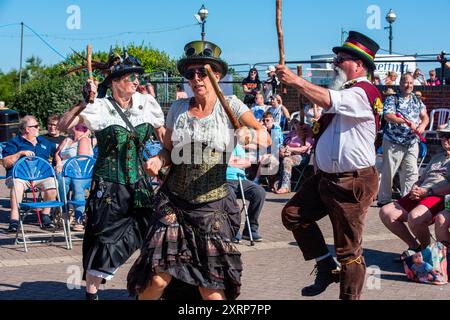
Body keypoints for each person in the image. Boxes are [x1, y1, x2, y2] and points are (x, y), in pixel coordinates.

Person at [126, 39, 270, 300]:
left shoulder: (232, 106)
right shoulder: (179, 109)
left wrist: (249, 133)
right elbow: (168, 149)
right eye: (190, 73)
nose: (195, 78)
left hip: (211, 207)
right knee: (157, 279)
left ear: (217, 75)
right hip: (174, 203)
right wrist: (159, 160)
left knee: (211, 288)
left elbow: (264, 137)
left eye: (202, 72)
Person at [276, 31, 381, 300]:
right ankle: (325, 266)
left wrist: (296, 80)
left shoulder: (363, 92)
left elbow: (327, 100)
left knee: (348, 251)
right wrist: (310, 134)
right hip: (327, 178)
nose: (335, 63)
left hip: (352, 182)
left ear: (358, 64)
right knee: (293, 215)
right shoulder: (346, 93)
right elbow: (334, 131)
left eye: (341, 58)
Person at [57, 50, 165, 300]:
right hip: (108, 187)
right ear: (116, 81)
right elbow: (63, 126)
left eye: (138, 77)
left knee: (150, 232)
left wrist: (168, 156)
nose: (137, 82)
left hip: (140, 185)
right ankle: (92, 294)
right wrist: (83, 101)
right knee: (104, 240)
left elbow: (162, 135)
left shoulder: (146, 102)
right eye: (131, 78)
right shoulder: (100, 106)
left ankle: (144, 286)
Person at [379, 123, 450, 255]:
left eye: (449, 136)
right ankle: (415, 247)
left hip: (438, 195)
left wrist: (428, 192)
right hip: (422, 192)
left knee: (415, 217)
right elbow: (421, 179)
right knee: (386, 212)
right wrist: (415, 187)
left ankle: (426, 252)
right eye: (443, 136)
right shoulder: (437, 157)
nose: (445, 139)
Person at [377, 73, 429, 207]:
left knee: (412, 172)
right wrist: (405, 121)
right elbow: (388, 116)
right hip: (394, 141)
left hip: (412, 142)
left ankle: (408, 200)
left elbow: (425, 116)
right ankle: (384, 200)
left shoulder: (417, 100)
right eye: (406, 82)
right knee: (389, 172)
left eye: (411, 83)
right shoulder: (392, 99)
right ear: (400, 84)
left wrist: (422, 125)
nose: (409, 85)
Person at [2, 115, 58, 233]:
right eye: (36, 126)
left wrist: (59, 161)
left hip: (40, 176)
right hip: (19, 176)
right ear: (27, 129)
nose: (39, 128)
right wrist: (19, 154)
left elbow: (58, 153)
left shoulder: (44, 142)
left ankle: (45, 215)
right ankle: (14, 220)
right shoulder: (14, 142)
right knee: (17, 185)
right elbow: (5, 163)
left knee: (52, 184)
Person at [54, 123, 93, 232]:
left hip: (82, 172)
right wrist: (58, 162)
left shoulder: (84, 140)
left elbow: (81, 159)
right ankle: (65, 213)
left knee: (77, 185)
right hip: (65, 171)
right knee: (62, 182)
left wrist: (65, 166)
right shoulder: (68, 139)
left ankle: (79, 219)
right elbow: (57, 153)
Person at [226, 144, 265, 242]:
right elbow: (225, 159)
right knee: (228, 195)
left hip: (241, 179)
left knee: (259, 192)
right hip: (225, 179)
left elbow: (248, 163)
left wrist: (233, 160)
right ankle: (233, 231)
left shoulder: (238, 146)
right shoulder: (220, 143)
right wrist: (236, 161)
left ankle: (250, 230)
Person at [275, 121, 314, 194]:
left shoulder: (307, 135)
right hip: (289, 153)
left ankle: (285, 186)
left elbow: (303, 149)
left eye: (298, 123)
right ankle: (278, 183)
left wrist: (290, 149)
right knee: (280, 157)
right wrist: (282, 150)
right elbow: (284, 143)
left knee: (287, 160)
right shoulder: (291, 133)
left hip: (303, 157)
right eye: (295, 123)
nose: (296, 125)